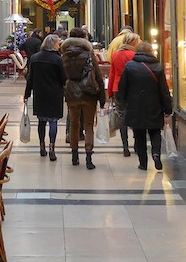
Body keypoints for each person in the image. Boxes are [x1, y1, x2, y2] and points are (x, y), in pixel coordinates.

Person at [116, 42, 172, 170]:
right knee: (155, 131)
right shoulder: (157, 67)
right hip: (154, 105)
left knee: (139, 134)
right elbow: (164, 91)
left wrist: (122, 103)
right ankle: (156, 154)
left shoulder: (130, 66)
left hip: (135, 106)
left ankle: (143, 163)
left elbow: (122, 87)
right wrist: (167, 109)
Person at [61, 27, 105, 169]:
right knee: (89, 125)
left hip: (72, 93)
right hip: (88, 93)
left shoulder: (64, 54)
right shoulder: (88, 54)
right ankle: (88, 157)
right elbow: (97, 74)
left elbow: (61, 75)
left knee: (74, 124)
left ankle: (74, 155)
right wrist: (102, 96)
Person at [23, 34, 67, 161]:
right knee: (53, 121)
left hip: (40, 94)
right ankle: (52, 147)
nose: (59, 45)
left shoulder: (35, 58)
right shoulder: (58, 59)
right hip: (54, 94)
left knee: (41, 121)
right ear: (53, 44)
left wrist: (26, 94)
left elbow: (30, 78)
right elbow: (63, 78)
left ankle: (41, 146)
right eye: (58, 43)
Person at [107, 32, 141, 157]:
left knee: (122, 117)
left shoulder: (116, 55)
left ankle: (125, 146)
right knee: (136, 115)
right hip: (133, 88)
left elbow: (112, 74)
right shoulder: (135, 55)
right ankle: (137, 145)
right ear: (133, 42)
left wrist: (110, 91)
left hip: (118, 88)